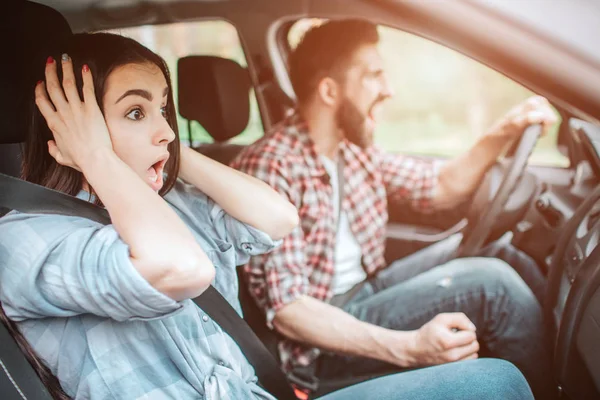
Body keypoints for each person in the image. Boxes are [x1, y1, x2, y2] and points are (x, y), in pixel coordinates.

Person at [0, 31, 536, 400]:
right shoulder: (29, 239)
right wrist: (95, 155)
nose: (164, 127)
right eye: (136, 111)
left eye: (164, 108)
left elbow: (278, 218)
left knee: (496, 341)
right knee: (495, 382)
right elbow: (182, 271)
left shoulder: (171, 205)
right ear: (73, 130)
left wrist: (176, 154)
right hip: (296, 364)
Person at [231, 19, 557, 399]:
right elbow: (291, 311)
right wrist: (410, 348)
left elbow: (440, 187)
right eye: (374, 76)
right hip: (319, 341)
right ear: (329, 91)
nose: (389, 90)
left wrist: (506, 128)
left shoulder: (352, 149)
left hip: (366, 288)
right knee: (494, 286)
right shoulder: (272, 166)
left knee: (500, 252)